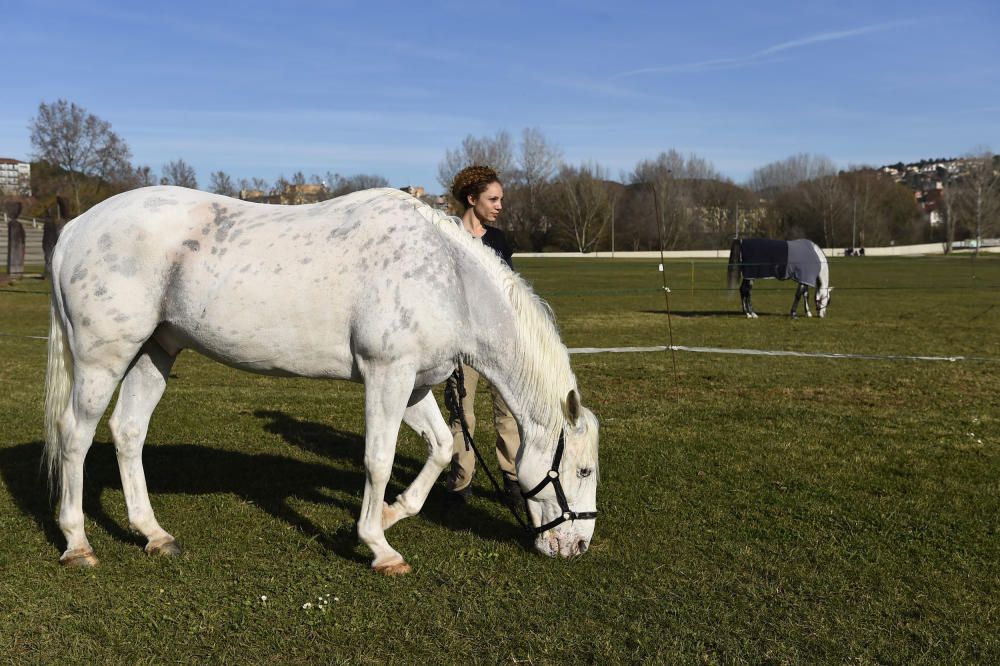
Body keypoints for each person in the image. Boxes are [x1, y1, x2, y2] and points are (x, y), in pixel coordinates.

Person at [445, 165, 521, 503]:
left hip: (501, 341)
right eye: (493, 199)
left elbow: (511, 290)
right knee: (462, 412)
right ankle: (462, 482)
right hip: (463, 343)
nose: (500, 205)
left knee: (508, 413)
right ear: (472, 199)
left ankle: (513, 479)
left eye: (501, 199)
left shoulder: (499, 240)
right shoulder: (447, 237)